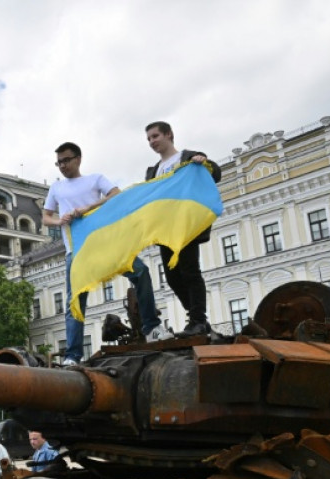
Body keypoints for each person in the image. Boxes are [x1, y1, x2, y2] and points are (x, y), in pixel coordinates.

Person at [43, 141, 172, 364]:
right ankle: (73, 355)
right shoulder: (56, 188)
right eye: (59, 162)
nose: (62, 166)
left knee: (141, 272)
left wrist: (90, 207)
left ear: (78, 159)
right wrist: (59, 221)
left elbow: (116, 194)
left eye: (66, 160)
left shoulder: (95, 179)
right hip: (78, 251)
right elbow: (46, 217)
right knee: (75, 301)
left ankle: (151, 328)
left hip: (107, 244)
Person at [144, 122, 223, 336]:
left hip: (185, 225)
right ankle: (198, 318)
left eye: (155, 136)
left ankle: (197, 320)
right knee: (172, 277)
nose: (152, 141)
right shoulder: (153, 171)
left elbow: (215, 173)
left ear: (169, 134)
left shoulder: (187, 158)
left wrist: (204, 162)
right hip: (165, 229)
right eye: (149, 139)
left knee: (190, 271)